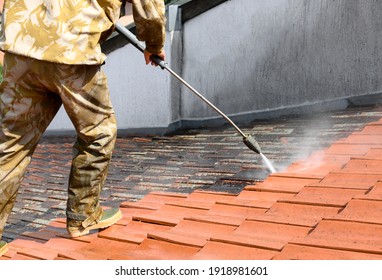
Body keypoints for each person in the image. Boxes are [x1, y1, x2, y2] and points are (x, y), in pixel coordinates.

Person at [0, 0, 166, 257]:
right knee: (99, 132)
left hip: (21, 45)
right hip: (72, 50)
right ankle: (83, 215)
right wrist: (154, 45)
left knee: (9, 144)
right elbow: (150, 7)